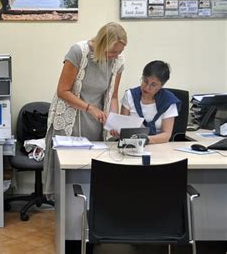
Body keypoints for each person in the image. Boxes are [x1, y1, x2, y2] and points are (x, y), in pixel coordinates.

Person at [43, 22, 127, 195]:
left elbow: (113, 96)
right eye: (112, 52)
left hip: (95, 123)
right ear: (101, 44)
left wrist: (113, 121)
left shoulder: (118, 61)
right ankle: (66, 218)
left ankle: (89, 216)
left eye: (119, 52)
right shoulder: (78, 52)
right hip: (70, 122)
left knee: (92, 177)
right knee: (67, 180)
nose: (115, 56)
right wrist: (89, 108)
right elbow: (62, 91)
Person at [119, 60, 179, 144]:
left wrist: (144, 139)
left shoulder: (168, 101)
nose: (146, 87)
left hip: (158, 146)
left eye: (153, 85)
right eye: (145, 81)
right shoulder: (130, 96)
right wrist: (117, 132)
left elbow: (166, 135)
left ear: (161, 86)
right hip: (131, 145)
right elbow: (122, 128)